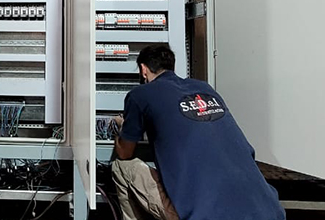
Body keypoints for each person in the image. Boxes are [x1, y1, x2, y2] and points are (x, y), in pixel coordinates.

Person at [111, 45, 285, 220]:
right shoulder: (204, 88)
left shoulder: (140, 94)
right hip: (268, 212)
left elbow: (125, 152)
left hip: (205, 216)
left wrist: (122, 129)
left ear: (143, 70)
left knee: (121, 167)